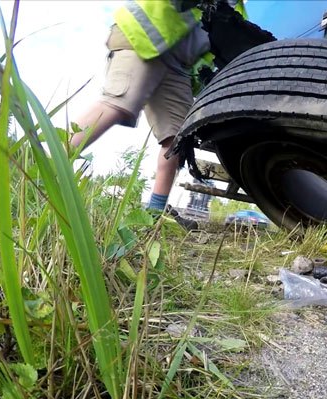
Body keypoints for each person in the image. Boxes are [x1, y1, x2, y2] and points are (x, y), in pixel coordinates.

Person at [70, 1, 232, 229]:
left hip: (179, 64)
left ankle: (153, 217)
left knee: (177, 140)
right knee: (117, 104)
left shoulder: (239, 5)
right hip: (143, 36)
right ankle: (41, 170)